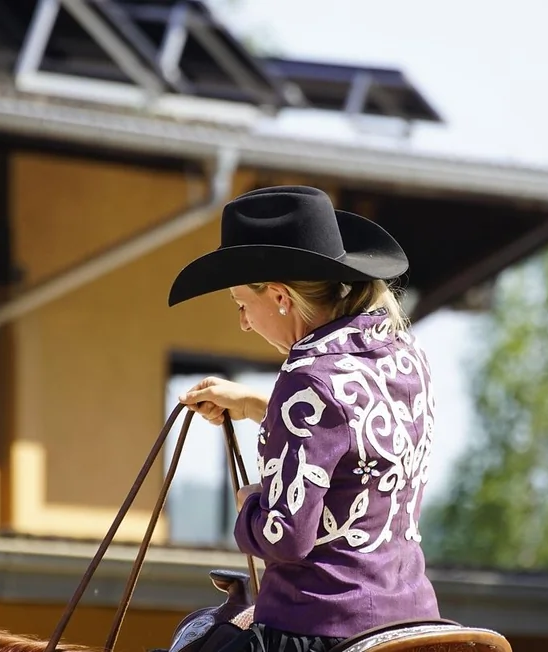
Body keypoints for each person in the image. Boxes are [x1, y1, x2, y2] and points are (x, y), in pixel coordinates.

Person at [168, 185, 441, 652]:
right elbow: (352, 438)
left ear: (278, 296)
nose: (243, 323)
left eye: (241, 306)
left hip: (320, 625)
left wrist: (250, 505)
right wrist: (257, 406)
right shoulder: (402, 354)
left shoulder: (307, 377)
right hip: (412, 615)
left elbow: (285, 536)